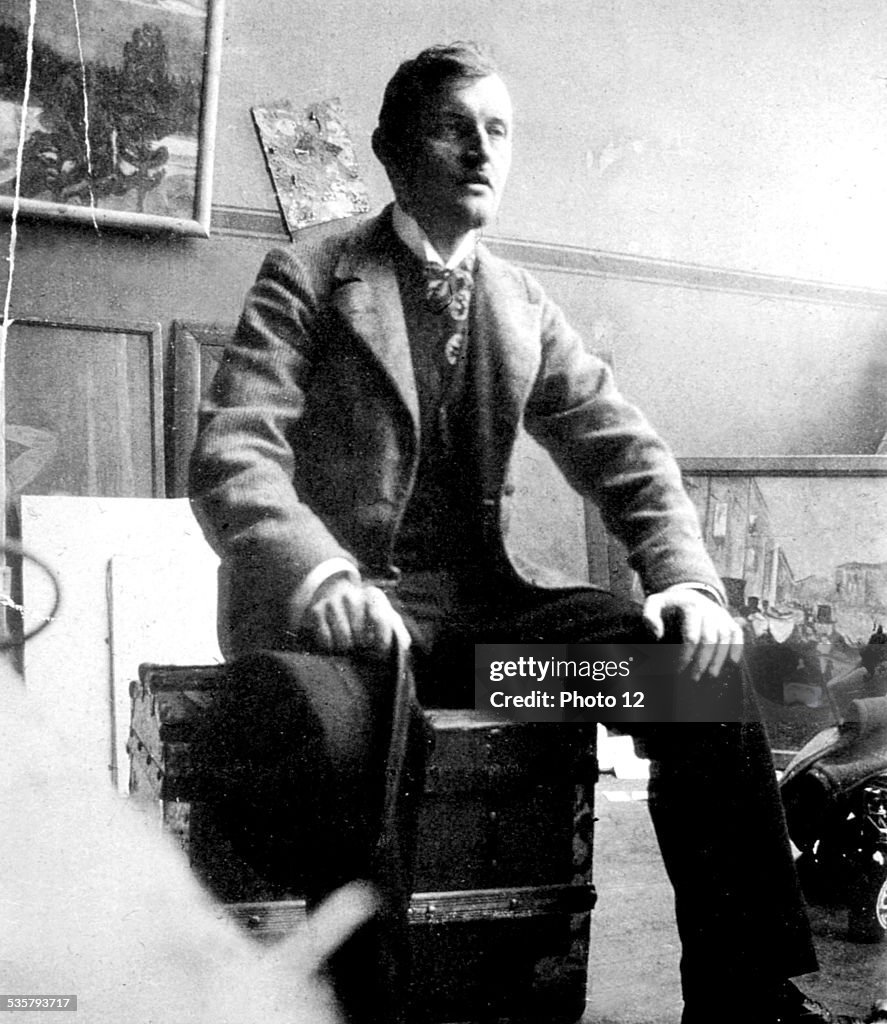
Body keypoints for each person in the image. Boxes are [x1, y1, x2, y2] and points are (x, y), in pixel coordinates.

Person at [189, 42, 857, 1024]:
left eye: (496, 130)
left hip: (494, 654)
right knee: (332, 746)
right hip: (350, 638)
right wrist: (319, 571)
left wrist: (684, 580)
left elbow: (620, 446)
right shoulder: (310, 274)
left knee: (693, 679)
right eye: (453, 127)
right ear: (391, 147)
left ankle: (741, 992)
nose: (479, 151)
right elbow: (234, 446)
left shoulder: (518, 302)